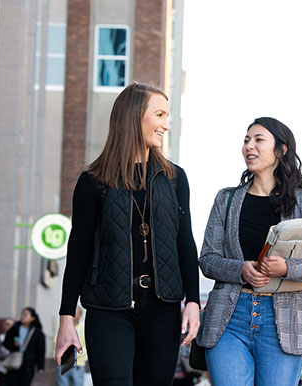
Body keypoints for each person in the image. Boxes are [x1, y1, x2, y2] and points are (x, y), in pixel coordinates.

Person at [55, 82, 200, 386]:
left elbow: (184, 242)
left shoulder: (174, 179)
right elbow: (78, 249)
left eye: (167, 116)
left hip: (162, 309)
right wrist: (66, 317)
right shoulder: (93, 181)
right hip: (108, 308)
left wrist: (193, 301)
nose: (166, 124)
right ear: (134, 116)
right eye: (159, 115)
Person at [196, 117, 302, 386]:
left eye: (258, 139)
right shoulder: (226, 199)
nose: (249, 146)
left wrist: (287, 268)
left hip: (284, 324)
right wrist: (240, 269)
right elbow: (207, 259)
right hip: (230, 317)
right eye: (246, 140)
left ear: (281, 150)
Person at [3, 307, 46, 386]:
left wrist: (40, 366)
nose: (23, 316)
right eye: (22, 314)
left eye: (26, 315)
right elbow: (6, 343)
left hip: (28, 364)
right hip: (14, 363)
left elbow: (41, 350)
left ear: (32, 318)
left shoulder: (37, 333)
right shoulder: (15, 328)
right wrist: (14, 346)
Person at [55, 306, 86, 386]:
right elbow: (57, 342)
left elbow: (86, 347)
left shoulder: (83, 328)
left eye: (75, 312)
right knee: (62, 384)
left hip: (78, 364)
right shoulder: (63, 328)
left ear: (80, 315)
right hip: (63, 363)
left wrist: (75, 355)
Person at [0, 318, 14, 386]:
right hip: (2, 368)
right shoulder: (0, 338)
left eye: (11, 325)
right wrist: (8, 355)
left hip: (14, 369)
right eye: (7, 324)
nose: (9, 327)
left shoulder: (17, 338)